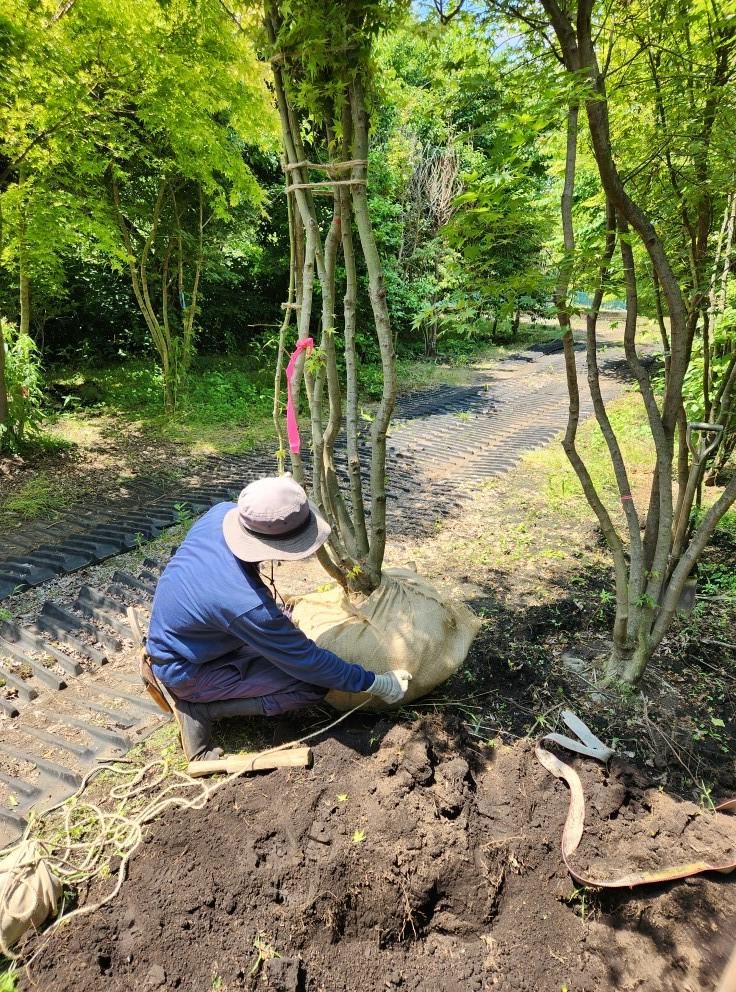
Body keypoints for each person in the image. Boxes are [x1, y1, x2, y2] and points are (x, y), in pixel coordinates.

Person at [142, 475, 411, 760]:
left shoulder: (220, 514)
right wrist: (374, 682)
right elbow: (308, 663)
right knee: (312, 684)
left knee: (288, 643)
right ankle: (200, 709)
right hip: (187, 670)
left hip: (198, 639)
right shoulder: (245, 604)